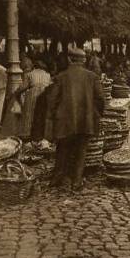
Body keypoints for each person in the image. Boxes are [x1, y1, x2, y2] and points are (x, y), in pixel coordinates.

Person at [50, 48, 105, 191]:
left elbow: (52, 100)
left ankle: (57, 178)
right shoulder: (92, 77)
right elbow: (100, 99)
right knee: (81, 150)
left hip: (64, 121)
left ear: (69, 59)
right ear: (84, 60)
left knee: (62, 149)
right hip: (85, 120)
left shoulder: (60, 77)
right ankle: (77, 181)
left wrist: (54, 115)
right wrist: (96, 114)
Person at [14, 56, 51, 139]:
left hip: (33, 95)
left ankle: (28, 133)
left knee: (30, 114)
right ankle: (41, 134)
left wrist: (17, 93)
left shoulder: (30, 74)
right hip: (44, 94)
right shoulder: (47, 75)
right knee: (41, 115)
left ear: (34, 66)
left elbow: (24, 87)